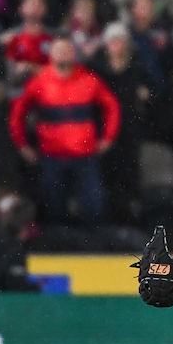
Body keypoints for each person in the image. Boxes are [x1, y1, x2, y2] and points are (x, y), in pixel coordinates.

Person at [9, 35, 120, 224]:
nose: (63, 54)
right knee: (54, 211)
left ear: (73, 53)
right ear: (51, 54)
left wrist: (108, 138)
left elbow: (112, 106)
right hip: (52, 157)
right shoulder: (39, 82)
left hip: (85, 156)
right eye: (59, 50)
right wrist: (22, 145)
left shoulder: (88, 79)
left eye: (67, 50)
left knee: (93, 210)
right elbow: (17, 114)